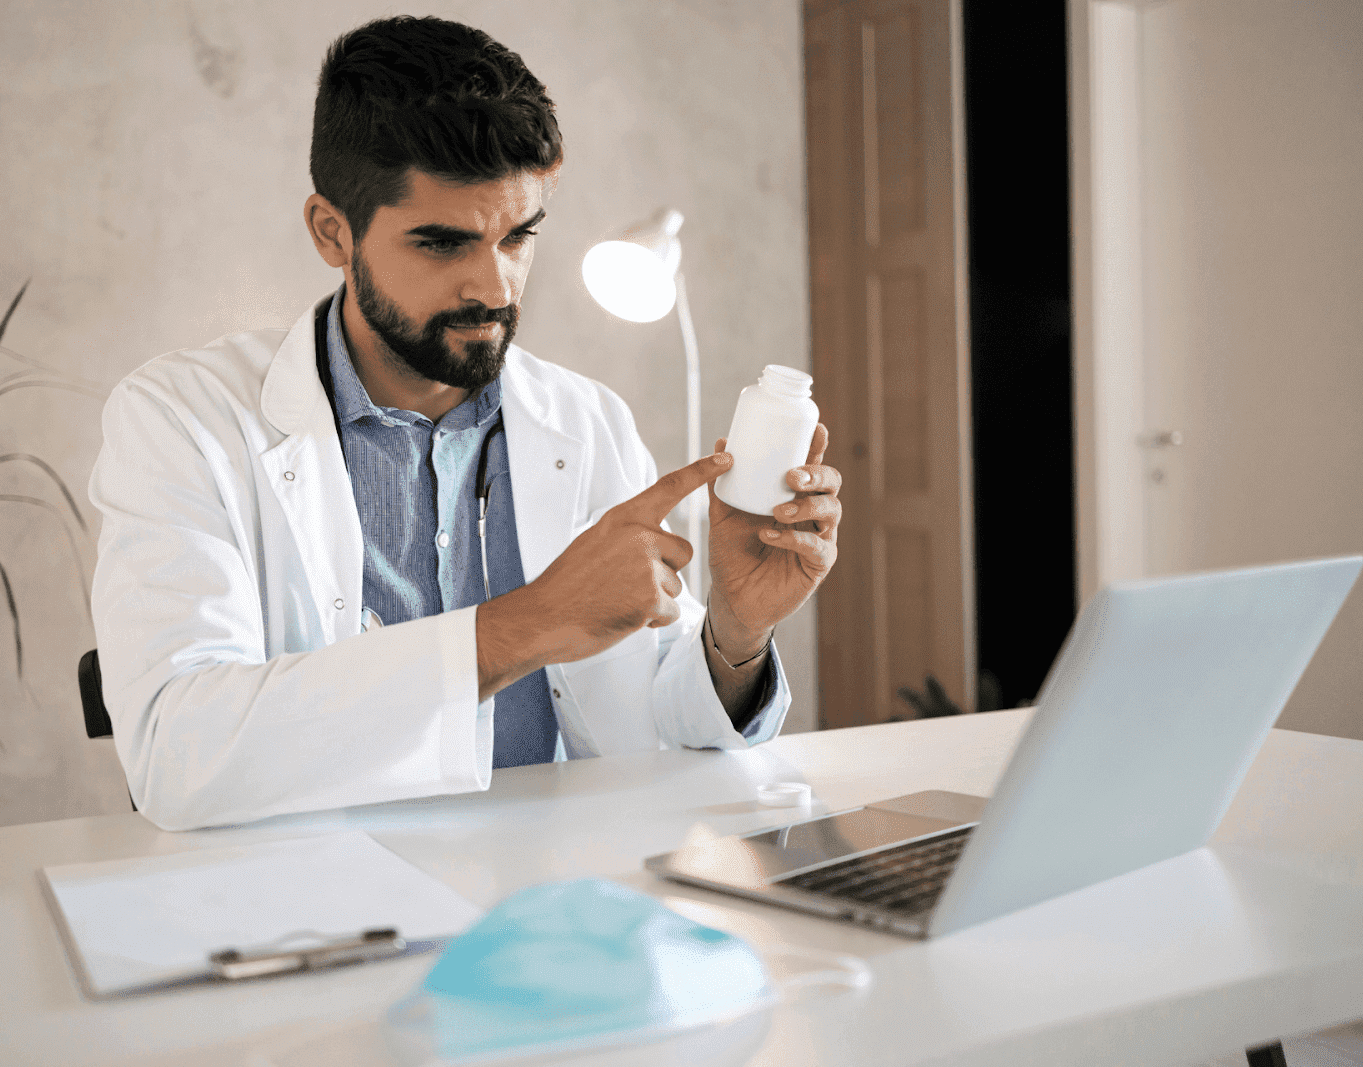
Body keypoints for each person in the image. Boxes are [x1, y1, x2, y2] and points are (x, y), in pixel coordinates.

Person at [89, 15, 843, 832]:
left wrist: (737, 627)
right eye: (443, 243)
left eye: (518, 236)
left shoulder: (587, 422)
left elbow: (657, 722)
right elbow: (178, 751)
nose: (495, 286)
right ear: (332, 231)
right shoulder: (180, 421)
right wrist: (527, 624)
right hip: (323, 907)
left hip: (558, 899)